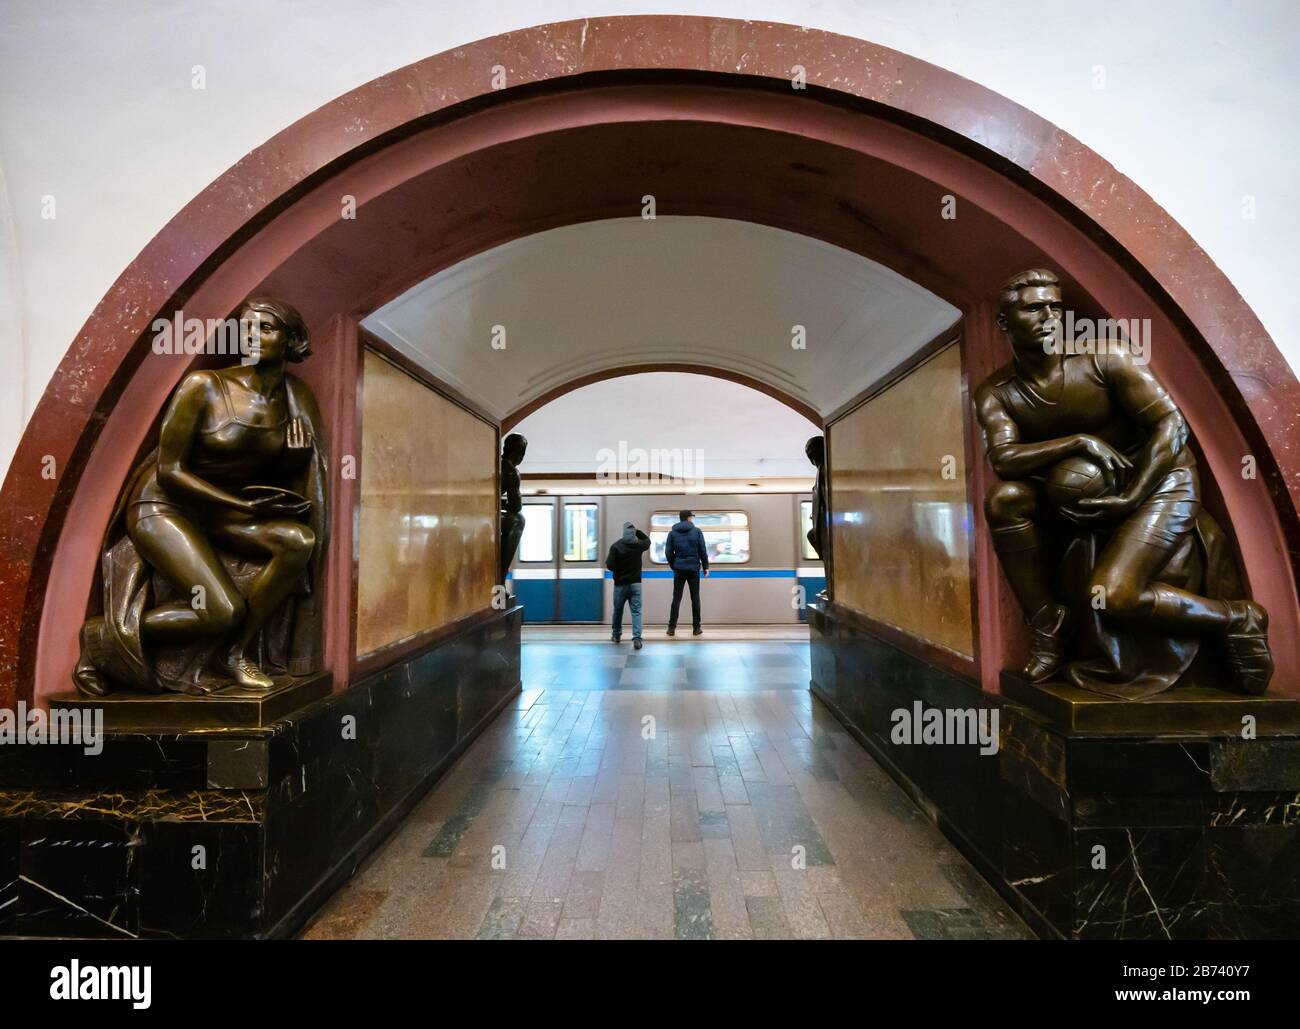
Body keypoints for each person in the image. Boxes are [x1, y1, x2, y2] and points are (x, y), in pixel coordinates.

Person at [973, 268, 1271, 697]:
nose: (1049, 317)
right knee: (1005, 500)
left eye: (1055, 307)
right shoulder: (996, 391)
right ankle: (1047, 623)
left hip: (1160, 482)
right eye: (1034, 308)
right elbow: (1003, 458)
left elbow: (1170, 425)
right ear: (1005, 323)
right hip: (1087, 493)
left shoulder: (1105, 357)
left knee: (1113, 596)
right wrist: (1078, 442)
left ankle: (1238, 618)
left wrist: (1133, 493)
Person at [606, 521, 650, 648]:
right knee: (636, 612)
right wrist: (637, 531)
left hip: (620, 584)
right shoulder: (639, 545)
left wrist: (619, 572)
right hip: (636, 584)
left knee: (618, 610)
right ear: (633, 532)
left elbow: (609, 565)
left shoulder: (616, 546)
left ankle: (616, 635)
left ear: (623, 532)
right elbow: (647, 541)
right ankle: (637, 638)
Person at [665, 509, 709, 636]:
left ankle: (671, 628)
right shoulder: (697, 532)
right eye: (691, 517)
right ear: (688, 518)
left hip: (679, 569)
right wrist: (705, 566)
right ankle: (696, 628)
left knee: (676, 598)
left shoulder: (672, 533)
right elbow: (702, 550)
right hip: (694, 569)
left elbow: (668, 552)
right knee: (695, 598)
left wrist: (674, 565)